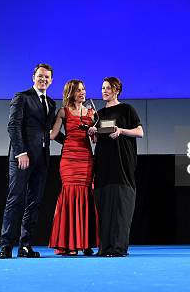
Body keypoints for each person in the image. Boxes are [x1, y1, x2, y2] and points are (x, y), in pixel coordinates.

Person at [0, 63, 63, 259]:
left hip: (42, 159)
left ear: (51, 81)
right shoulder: (22, 97)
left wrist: (74, 141)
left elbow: (51, 131)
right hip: (22, 158)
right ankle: (6, 245)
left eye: (47, 78)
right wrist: (20, 153)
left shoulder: (51, 103)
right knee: (15, 199)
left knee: (34, 203)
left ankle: (25, 245)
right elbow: (13, 126)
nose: (43, 80)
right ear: (33, 78)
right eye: (40, 76)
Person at [88, 77, 143, 257]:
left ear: (117, 90)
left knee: (121, 206)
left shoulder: (127, 109)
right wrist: (93, 133)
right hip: (103, 164)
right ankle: (105, 248)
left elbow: (140, 132)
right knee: (103, 206)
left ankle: (118, 248)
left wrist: (121, 130)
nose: (104, 91)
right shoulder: (99, 114)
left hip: (122, 164)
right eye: (102, 88)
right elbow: (97, 140)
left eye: (108, 88)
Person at [48, 80, 98, 256]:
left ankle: (86, 243)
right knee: (69, 195)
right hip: (69, 158)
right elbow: (53, 135)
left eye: (83, 89)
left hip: (86, 158)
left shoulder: (92, 113)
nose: (82, 93)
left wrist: (94, 132)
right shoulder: (63, 111)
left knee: (86, 196)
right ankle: (69, 244)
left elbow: (95, 141)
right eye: (78, 90)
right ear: (70, 93)